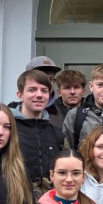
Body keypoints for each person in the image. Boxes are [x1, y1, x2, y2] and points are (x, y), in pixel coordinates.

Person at [11, 68, 65, 197]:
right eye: (32, 90)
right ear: (20, 95)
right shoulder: (6, 129)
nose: (39, 95)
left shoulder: (57, 134)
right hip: (14, 202)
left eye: (44, 90)